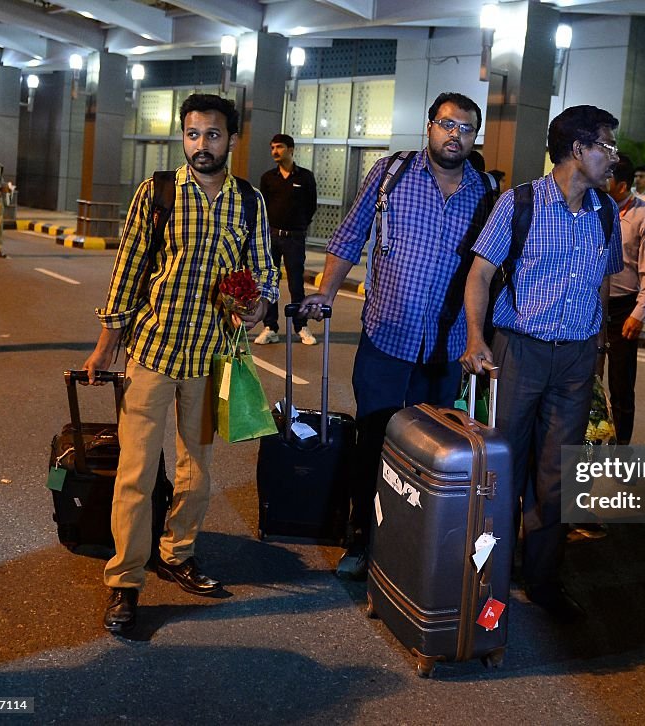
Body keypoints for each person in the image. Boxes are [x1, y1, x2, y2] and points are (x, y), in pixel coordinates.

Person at [83, 93, 277, 634]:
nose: (200, 145)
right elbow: (129, 267)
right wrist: (105, 344)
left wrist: (257, 303)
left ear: (231, 139)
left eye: (212, 135)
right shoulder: (159, 192)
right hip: (153, 350)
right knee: (136, 473)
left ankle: (176, 553)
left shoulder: (248, 201)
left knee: (197, 471)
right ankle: (124, 582)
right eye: (192, 135)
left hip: (210, 356)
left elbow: (263, 270)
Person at [301, 92, 495, 579]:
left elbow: (493, 267)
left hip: (448, 349)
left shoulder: (486, 191)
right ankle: (361, 538)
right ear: (429, 126)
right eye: (447, 124)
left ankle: (414, 544)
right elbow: (349, 236)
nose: (456, 135)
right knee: (374, 442)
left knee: (433, 456)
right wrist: (324, 292)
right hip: (388, 337)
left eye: (466, 128)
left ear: (475, 137)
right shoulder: (391, 175)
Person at [461, 105, 624, 622]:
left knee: (559, 473)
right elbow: (481, 274)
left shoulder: (606, 211)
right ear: (579, 149)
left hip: (576, 358)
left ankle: (544, 576)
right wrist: (474, 338)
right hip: (519, 350)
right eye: (607, 146)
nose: (613, 158)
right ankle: (491, 570)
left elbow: (602, 280)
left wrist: (596, 347)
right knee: (504, 464)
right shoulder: (520, 202)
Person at [605, 155, 645, 444]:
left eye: (608, 177)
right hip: (590, 304)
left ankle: (621, 451)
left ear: (622, 185)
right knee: (580, 380)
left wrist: (640, 312)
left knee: (621, 384)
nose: (601, 181)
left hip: (623, 308)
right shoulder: (592, 208)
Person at [254, 133, 319, 346]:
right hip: (271, 236)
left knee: (296, 284)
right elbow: (261, 208)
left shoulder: (305, 177)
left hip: (294, 238)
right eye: (272, 147)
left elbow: (311, 206)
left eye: (279, 147)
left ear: (290, 149)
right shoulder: (267, 178)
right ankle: (270, 327)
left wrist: (299, 226)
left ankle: (301, 327)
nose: (275, 151)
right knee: (270, 283)